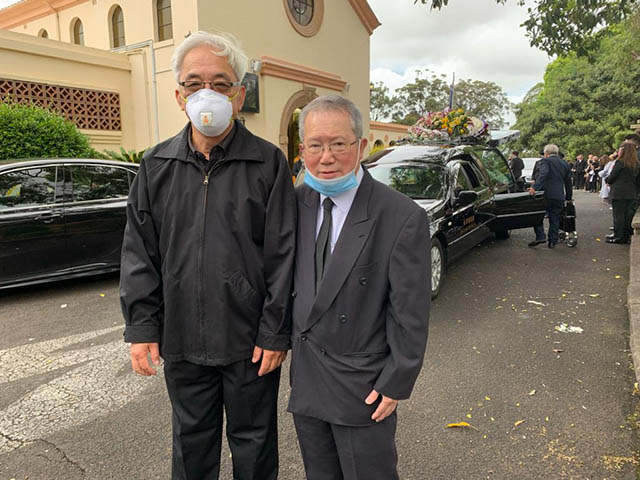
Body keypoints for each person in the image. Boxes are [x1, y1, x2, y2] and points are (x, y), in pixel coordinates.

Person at [119, 31, 296, 480]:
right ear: (179, 96)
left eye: (220, 84)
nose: (207, 93)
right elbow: (140, 253)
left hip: (249, 343)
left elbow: (283, 254)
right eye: (195, 83)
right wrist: (142, 327)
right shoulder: (156, 165)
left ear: (239, 95)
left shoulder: (267, 163)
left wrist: (275, 332)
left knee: (254, 447)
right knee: (191, 447)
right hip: (182, 338)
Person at [287, 95, 430, 479]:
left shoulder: (400, 216)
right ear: (302, 151)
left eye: (338, 144)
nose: (326, 157)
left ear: (361, 146)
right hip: (308, 378)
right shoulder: (296, 204)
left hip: (363, 386)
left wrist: (397, 381)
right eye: (315, 145)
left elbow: (410, 311)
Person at [528, 144, 572, 248]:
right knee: (555, 218)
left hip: (545, 194)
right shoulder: (565, 164)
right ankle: (552, 241)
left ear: (546, 153)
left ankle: (540, 235)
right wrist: (568, 197)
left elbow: (543, 174)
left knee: (537, 216)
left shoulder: (545, 161)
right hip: (558, 195)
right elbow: (568, 182)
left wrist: (535, 187)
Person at [605, 141, 640, 244]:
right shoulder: (636, 164)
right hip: (632, 193)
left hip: (619, 192)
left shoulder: (620, 162)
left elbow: (612, 176)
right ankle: (626, 236)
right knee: (628, 216)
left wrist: (607, 180)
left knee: (618, 216)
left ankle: (619, 236)